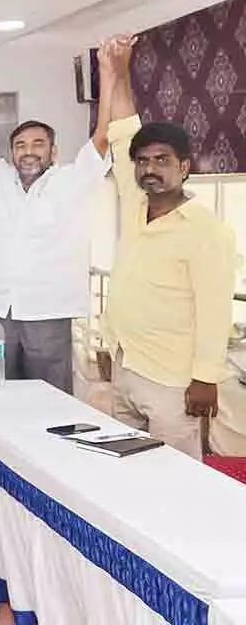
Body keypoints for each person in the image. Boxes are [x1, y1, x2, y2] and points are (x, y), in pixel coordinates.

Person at [101, 35, 236, 459]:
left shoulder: (205, 230)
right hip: (126, 365)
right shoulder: (135, 203)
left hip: (173, 381)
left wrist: (206, 378)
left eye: (162, 161)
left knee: (174, 477)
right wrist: (119, 70)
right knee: (124, 464)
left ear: (184, 166)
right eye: (143, 161)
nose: (149, 169)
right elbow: (124, 130)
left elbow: (215, 310)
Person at [0, 99, 112, 394]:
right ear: (12, 153)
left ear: (53, 151)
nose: (29, 151)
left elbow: (101, 138)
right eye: (20, 145)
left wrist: (109, 75)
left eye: (38, 144)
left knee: (51, 398)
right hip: (0, 309)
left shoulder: (72, 180)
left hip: (48, 310)